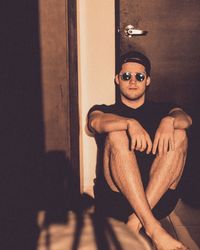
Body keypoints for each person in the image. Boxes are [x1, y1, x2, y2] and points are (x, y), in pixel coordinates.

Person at [87, 51, 192, 250]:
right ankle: (153, 228)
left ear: (148, 80)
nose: (133, 81)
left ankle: (134, 222)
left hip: (158, 199)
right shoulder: (104, 109)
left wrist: (169, 121)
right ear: (117, 79)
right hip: (117, 199)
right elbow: (96, 122)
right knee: (116, 134)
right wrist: (129, 123)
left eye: (139, 76)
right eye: (126, 76)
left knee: (180, 134)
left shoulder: (165, 110)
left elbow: (186, 119)